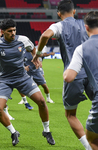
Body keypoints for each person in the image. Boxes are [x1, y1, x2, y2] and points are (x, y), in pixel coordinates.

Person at [0, 19, 55, 146]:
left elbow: (32, 49)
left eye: (14, 30)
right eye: (10, 31)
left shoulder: (23, 40)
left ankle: (46, 131)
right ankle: (14, 132)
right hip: (4, 80)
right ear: (3, 32)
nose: (13, 33)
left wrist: (36, 58)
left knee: (41, 102)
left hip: (22, 78)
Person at [32, 1, 91, 149]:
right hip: (92, 74)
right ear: (75, 11)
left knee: (71, 114)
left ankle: (89, 147)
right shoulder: (85, 24)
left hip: (73, 75)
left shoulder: (58, 25)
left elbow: (45, 35)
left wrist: (38, 54)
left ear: (59, 13)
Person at [63, 11, 98, 150]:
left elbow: (69, 77)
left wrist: (66, 70)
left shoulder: (82, 48)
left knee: (93, 140)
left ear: (86, 28)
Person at [0, 27, 33, 111]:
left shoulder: (10, 42)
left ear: (1, 33)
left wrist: (23, 65)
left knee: (18, 85)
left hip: (11, 69)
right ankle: (4, 108)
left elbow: (17, 56)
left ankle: (25, 102)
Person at [0, 26, 15, 120]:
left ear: (1, 33)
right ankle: (6, 112)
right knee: (1, 91)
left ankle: (24, 101)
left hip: (9, 70)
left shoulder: (8, 42)